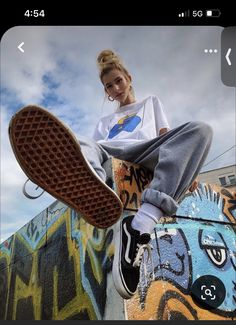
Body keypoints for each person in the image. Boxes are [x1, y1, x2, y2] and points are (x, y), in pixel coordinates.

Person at [8, 49, 213, 301]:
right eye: (109, 86)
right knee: (80, 141)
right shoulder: (105, 121)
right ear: (106, 91)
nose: (116, 88)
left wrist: (187, 166)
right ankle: (91, 184)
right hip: (112, 152)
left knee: (201, 130)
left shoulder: (151, 102)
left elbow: (165, 135)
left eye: (118, 81)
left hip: (147, 150)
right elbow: (93, 146)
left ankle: (141, 224)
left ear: (128, 78)